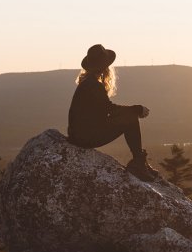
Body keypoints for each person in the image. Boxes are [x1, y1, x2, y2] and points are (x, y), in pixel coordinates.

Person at [67, 44, 160, 182]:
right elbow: (109, 109)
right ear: (105, 67)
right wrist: (137, 109)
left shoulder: (87, 83)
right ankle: (138, 163)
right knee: (131, 119)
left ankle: (139, 161)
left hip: (79, 136)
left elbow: (104, 110)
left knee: (129, 116)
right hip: (85, 138)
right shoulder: (94, 85)